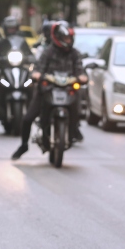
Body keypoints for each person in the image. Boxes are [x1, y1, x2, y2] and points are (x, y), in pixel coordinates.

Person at [12, 22, 87, 160]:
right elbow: (39, 67)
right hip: (47, 90)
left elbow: (80, 69)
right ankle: (23, 145)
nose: (68, 41)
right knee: (28, 118)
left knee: (78, 104)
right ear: (58, 37)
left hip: (68, 91)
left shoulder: (75, 54)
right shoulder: (48, 52)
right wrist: (37, 75)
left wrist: (82, 76)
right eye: (66, 38)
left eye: (70, 39)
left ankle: (73, 130)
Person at [0, 16, 33, 120]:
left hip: (21, 70)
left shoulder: (22, 42)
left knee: (32, 82)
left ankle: (33, 108)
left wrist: (31, 58)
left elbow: (30, 54)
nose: (11, 30)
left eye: (13, 28)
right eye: (9, 28)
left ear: (17, 28)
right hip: (6, 71)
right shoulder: (2, 42)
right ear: (5, 29)